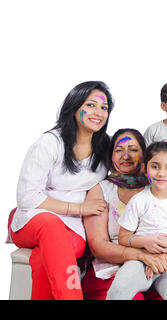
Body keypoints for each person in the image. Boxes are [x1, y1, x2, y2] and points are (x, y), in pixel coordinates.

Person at [8, 81, 113, 299]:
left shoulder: (105, 148)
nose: (98, 112)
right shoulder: (49, 143)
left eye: (104, 108)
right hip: (33, 219)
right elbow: (27, 197)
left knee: (43, 258)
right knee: (51, 225)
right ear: (74, 107)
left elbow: (129, 165)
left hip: (73, 230)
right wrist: (80, 208)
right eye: (91, 105)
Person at [106, 141, 167, 300]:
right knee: (118, 291)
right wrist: (146, 243)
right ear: (144, 168)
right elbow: (124, 238)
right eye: (155, 166)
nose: (161, 173)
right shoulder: (138, 200)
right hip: (141, 261)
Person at [81, 128, 166, 300]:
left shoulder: (158, 188)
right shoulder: (101, 190)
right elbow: (98, 246)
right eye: (119, 150)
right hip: (109, 270)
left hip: (152, 269)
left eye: (133, 150)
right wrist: (142, 255)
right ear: (111, 157)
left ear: (144, 155)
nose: (125, 156)